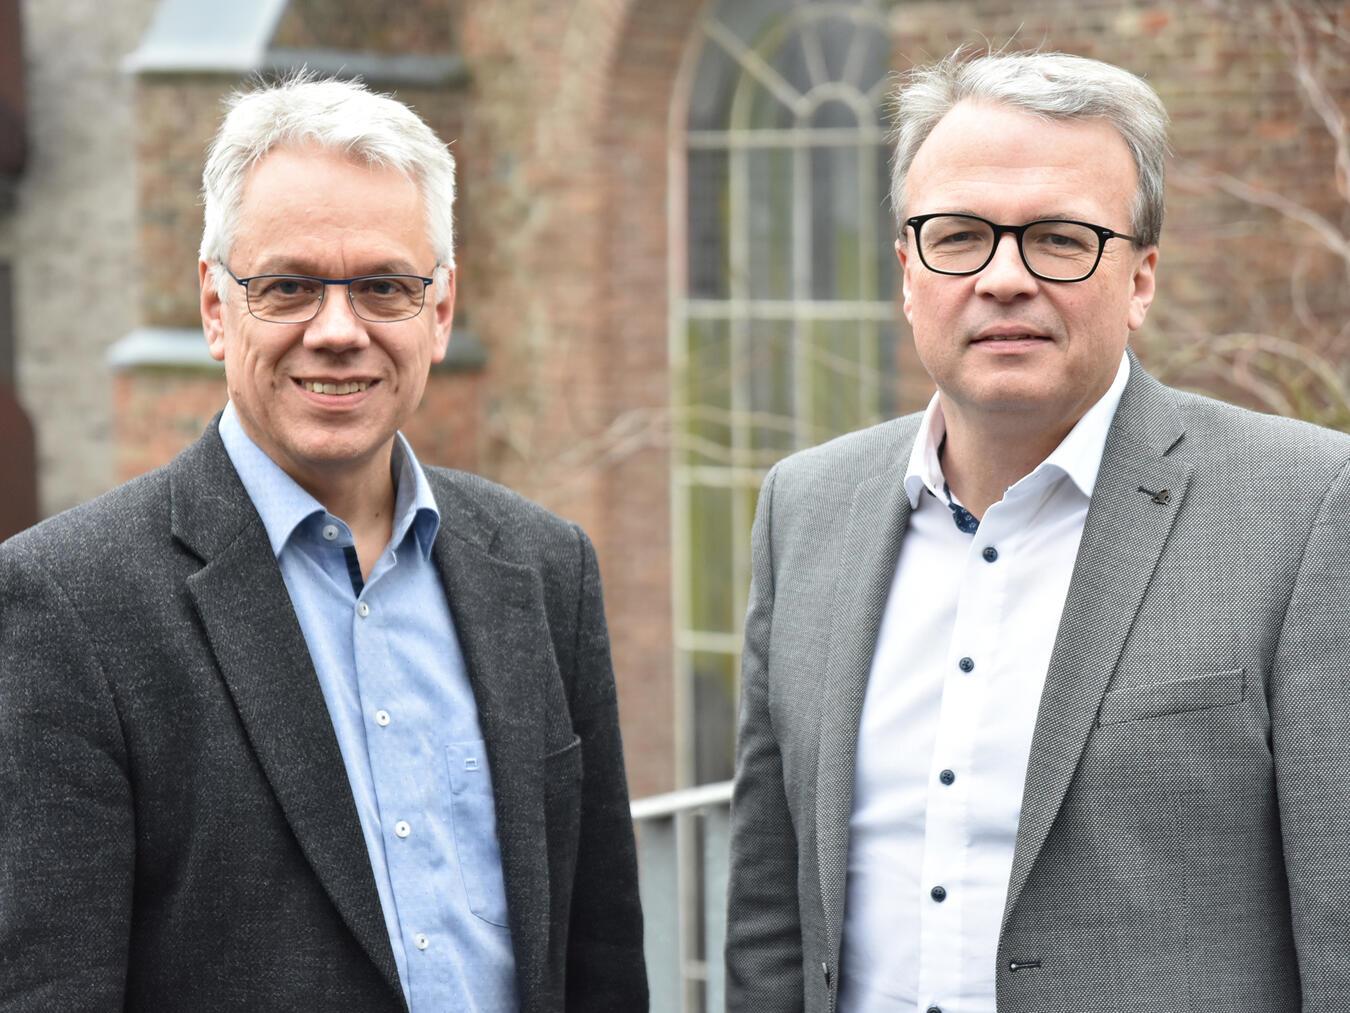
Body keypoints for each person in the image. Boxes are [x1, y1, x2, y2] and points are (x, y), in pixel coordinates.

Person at [0, 75, 647, 1012]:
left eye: (385, 286)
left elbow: (600, 953)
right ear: (218, 309)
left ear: (441, 309)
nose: (338, 332)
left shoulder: (545, 569)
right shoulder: (67, 604)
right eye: (289, 287)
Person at [725, 49, 1350, 1013]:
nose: (1004, 277)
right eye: (961, 234)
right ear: (907, 269)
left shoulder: (1305, 505)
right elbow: (771, 906)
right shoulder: (805, 507)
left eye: (1060, 239)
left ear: (1140, 278)